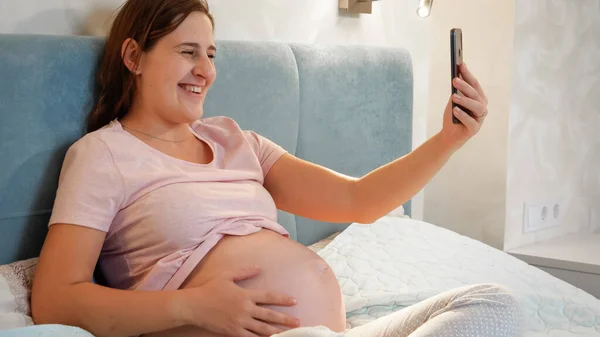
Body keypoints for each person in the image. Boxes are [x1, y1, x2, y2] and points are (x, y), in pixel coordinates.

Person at [30, 0, 521, 336]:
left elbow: (360, 202)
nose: (206, 70)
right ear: (134, 56)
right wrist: (189, 306)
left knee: (493, 305)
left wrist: (448, 140)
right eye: (187, 52)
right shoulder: (102, 155)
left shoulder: (237, 141)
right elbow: (54, 300)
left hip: (322, 331)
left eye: (211, 53)